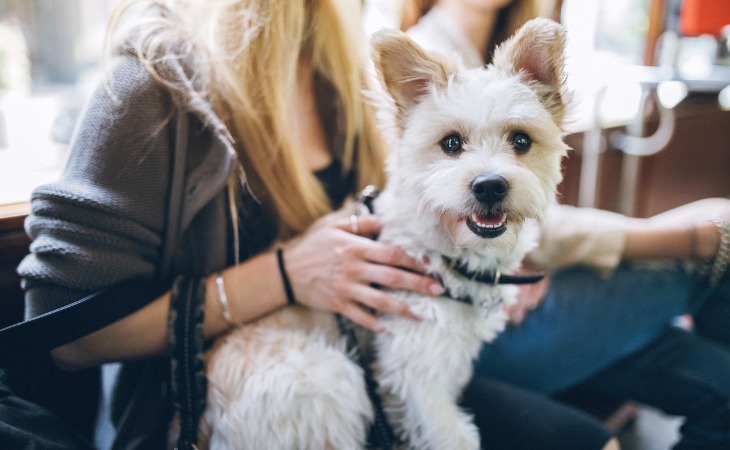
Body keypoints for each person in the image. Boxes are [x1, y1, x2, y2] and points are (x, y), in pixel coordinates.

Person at [13, 1, 613, 450]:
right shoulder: (149, 82)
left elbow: (421, 208)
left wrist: (506, 248)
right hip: (214, 404)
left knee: (584, 438)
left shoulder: (341, 73)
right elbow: (64, 337)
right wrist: (285, 274)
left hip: (375, 352)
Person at [398, 0, 730, 448]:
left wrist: (531, 249)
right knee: (717, 244)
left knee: (723, 386)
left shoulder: (522, 46)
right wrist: (683, 238)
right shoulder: (419, 62)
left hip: (519, 289)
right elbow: (434, 210)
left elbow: (531, 216)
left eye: (518, 141)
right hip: (471, 321)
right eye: (456, 143)